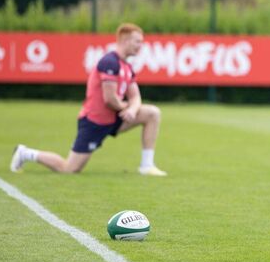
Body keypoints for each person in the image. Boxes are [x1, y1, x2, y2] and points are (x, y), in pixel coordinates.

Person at [10, 23, 167, 176]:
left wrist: (132, 109)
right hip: (95, 122)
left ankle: (147, 166)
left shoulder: (126, 66)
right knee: (69, 169)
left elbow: (135, 96)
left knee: (152, 113)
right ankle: (25, 153)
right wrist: (127, 108)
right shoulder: (109, 62)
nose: (141, 45)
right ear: (124, 40)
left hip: (115, 118)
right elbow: (110, 99)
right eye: (137, 41)